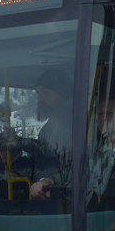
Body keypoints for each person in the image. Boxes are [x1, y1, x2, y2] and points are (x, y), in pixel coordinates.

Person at [31, 69, 72, 200]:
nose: (40, 99)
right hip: (50, 197)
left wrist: (51, 181)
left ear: (62, 95)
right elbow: (44, 165)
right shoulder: (45, 131)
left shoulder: (82, 125)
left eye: (46, 93)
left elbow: (84, 168)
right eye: (38, 93)